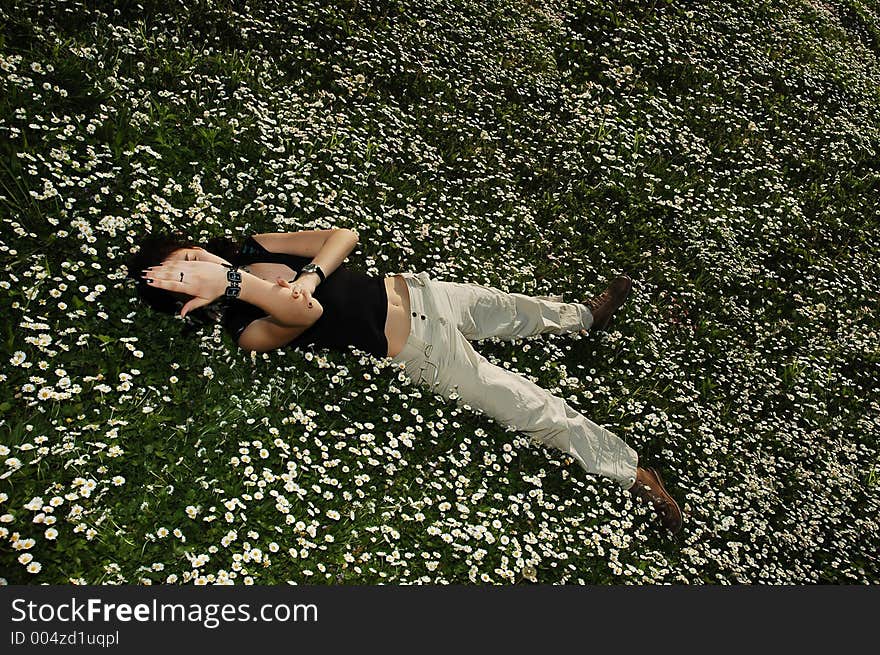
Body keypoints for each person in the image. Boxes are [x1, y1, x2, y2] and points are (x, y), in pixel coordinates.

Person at [127, 228, 683, 533]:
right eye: (187, 274)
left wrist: (310, 272)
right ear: (189, 302)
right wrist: (232, 284)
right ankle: (629, 470)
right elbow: (306, 316)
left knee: (517, 311)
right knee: (533, 408)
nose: (200, 263)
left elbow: (340, 235)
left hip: (420, 292)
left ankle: (583, 318)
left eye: (192, 256)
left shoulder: (255, 246)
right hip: (425, 351)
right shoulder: (246, 327)